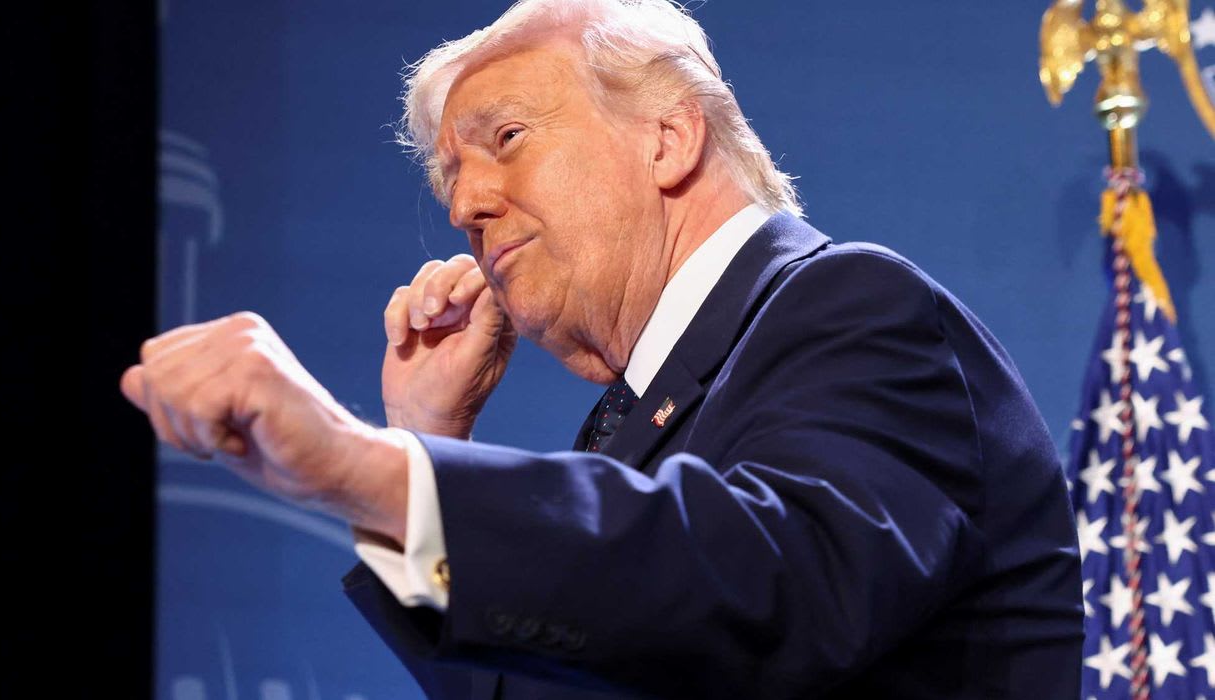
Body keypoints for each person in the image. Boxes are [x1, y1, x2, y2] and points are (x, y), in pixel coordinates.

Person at [121, 0, 1084, 697]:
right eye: (451, 177)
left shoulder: (851, 306)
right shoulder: (633, 422)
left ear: (668, 137)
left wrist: (363, 464)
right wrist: (427, 437)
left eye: (506, 137)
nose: (465, 205)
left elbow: (771, 594)